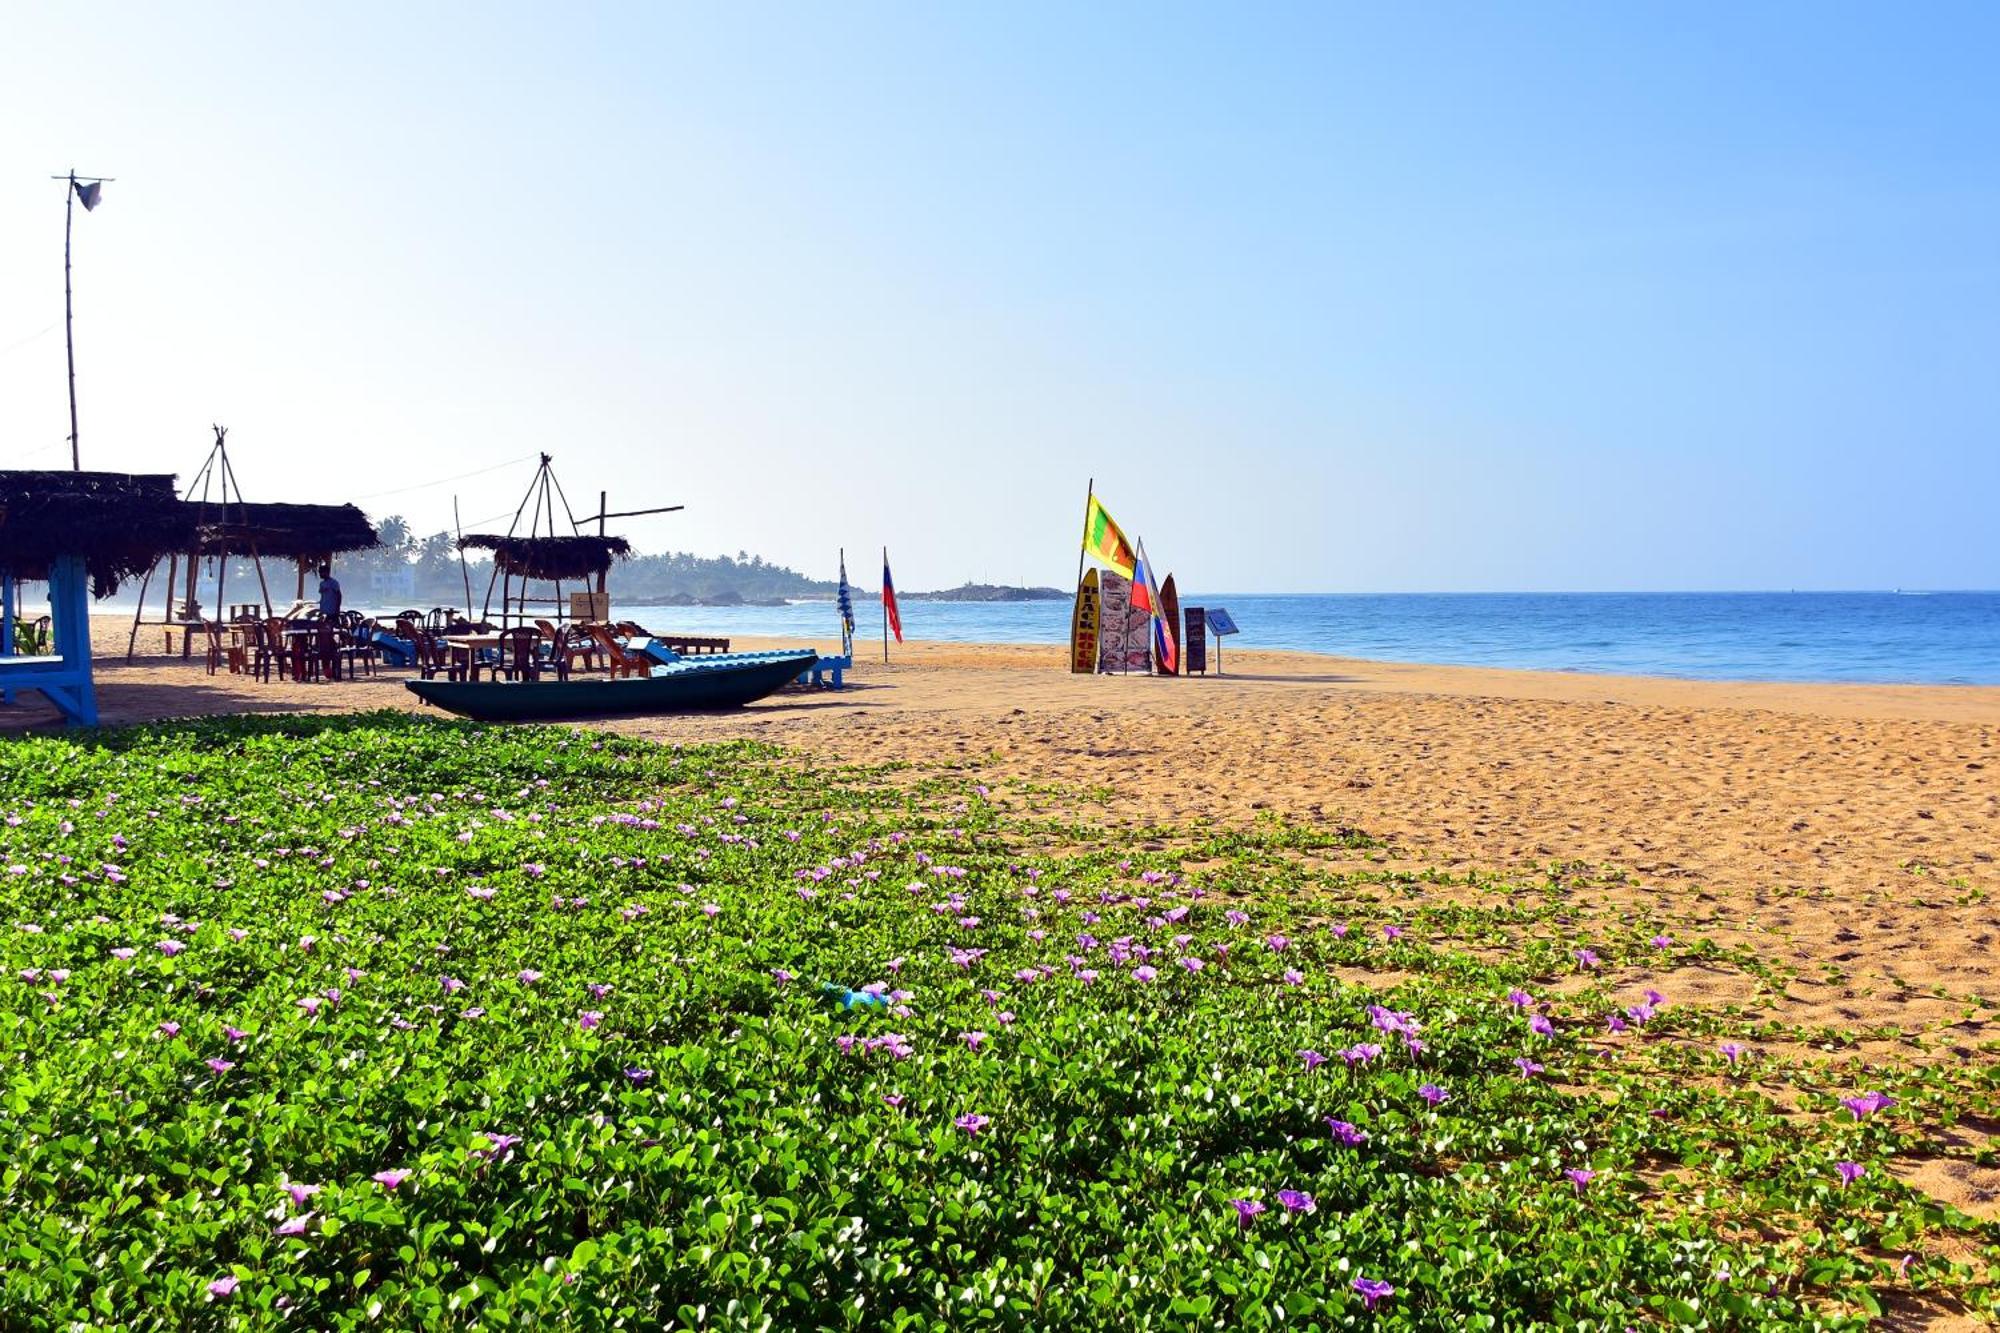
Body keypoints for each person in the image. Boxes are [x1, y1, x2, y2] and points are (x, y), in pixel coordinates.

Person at [315, 563, 343, 681]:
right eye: (320, 572)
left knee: (330, 634)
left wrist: (337, 610)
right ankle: (326, 655)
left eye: (323, 572)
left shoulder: (334, 583)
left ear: (327, 572)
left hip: (332, 612)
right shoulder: (322, 584)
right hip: (324, 613)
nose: (321, 574)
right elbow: (322, 597)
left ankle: (333, 650)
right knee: (323, 636)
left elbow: (339, 595)